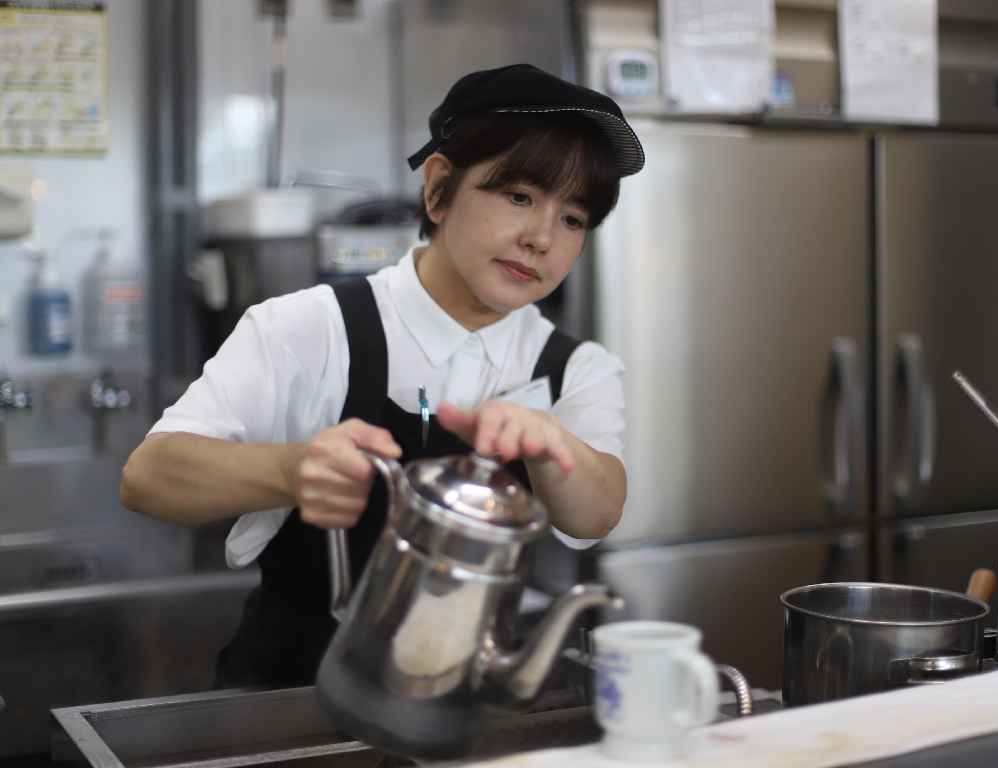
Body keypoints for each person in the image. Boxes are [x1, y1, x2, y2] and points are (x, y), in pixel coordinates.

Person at [120, 63, 645, 688]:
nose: (541, 238)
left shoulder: (572, 365)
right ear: (439, 188)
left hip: (456, 706)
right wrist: (291, 470)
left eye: (573, 219)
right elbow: (147, 477)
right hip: (290, 705)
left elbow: (598, 512)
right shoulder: (308, 327)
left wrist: (547, 440)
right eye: (519, 196)